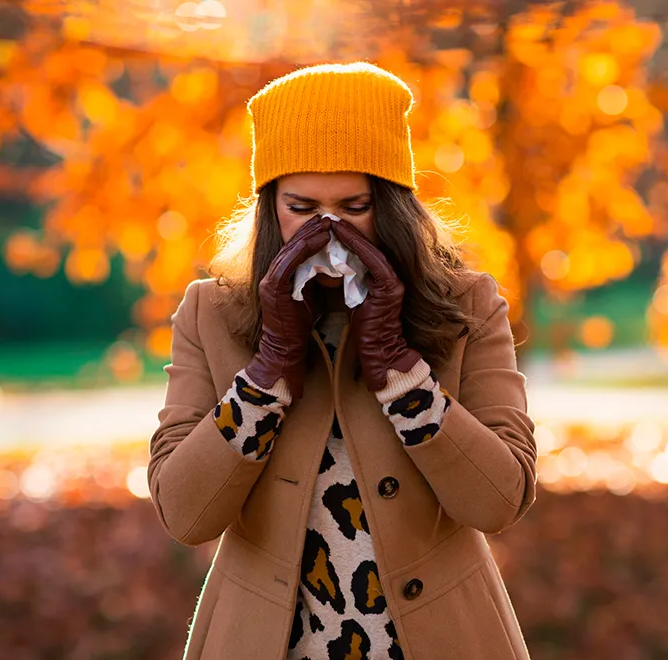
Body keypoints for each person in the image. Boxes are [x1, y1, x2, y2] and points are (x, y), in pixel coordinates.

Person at [147, 61, 536, 660]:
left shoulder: (467, 305)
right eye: (301, 207)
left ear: (391, 206)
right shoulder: (212, 314)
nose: (327, 232)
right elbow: (184, 512)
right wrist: (268, 371)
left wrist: (401, 373)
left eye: (353, 207)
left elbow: (499, 500)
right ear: (270, 207)